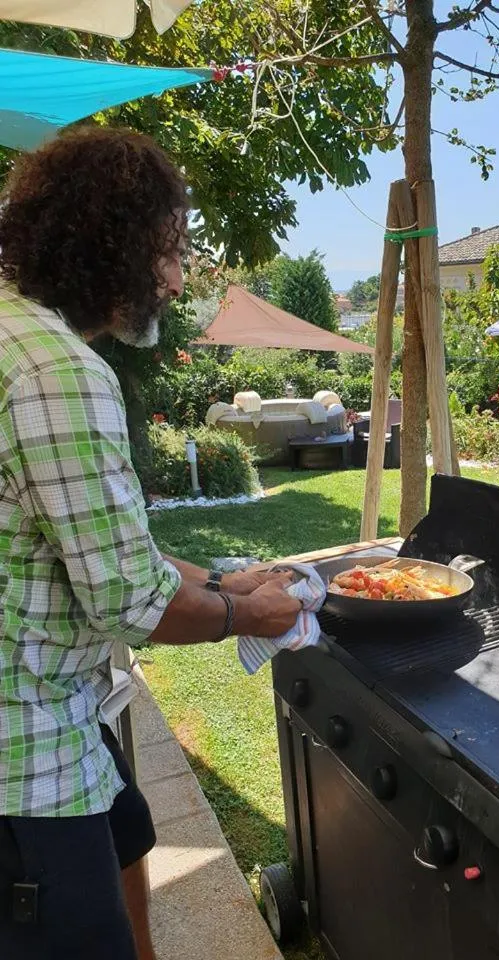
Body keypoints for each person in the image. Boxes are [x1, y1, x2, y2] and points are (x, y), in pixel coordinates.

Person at [0, 127, 302, 960]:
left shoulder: (12, 331)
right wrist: (251, 616)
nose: (176, 278)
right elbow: (129, 599)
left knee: (131, 827)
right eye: (168, 252)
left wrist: (230, 577)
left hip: (51, 707)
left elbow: (105, 544)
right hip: (20, 748)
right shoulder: (60, 373)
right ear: (110, 245)